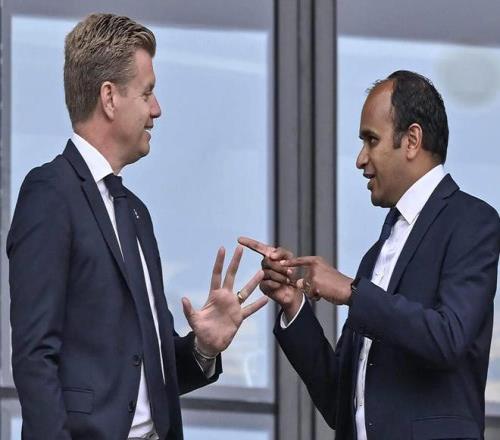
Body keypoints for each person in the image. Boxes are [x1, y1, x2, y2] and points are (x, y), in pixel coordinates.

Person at [7, 13, 267, 440]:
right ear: (109, 98)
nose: (156, 109)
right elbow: (35, 358)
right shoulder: (50, 193)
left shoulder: (136, 214)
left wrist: (203, 348)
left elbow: (142, 373)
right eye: (147, 93)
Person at [240, 70, 500, 439]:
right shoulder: (376, 254)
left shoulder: (472, 221)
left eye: (371, 140)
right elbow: (338, 402)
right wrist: (294, 306)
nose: (360, 159)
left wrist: (352, 292)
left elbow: (449, 337)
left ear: (411, 140)